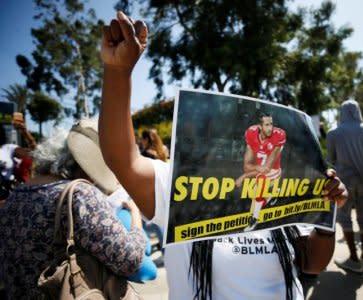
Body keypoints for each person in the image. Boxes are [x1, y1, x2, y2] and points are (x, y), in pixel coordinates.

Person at [99, 11, 348, 300]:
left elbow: (311, 264)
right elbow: (122, 158)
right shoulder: (177, 184)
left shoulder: (283, 189)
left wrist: (327, 219)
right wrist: (118, 72)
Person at [0, 124, 149, 299]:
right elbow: (130, 261)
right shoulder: (80, 195)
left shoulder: (14, 196)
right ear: (84, 165)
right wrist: (135, 218)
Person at [326, 99, 363, 273]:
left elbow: (331, 159)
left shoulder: (334, 133)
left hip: (345, 181)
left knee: (344, 218)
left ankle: (353, 258)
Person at [235, 111, 286, 231]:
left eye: (271, 124)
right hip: (260, 169)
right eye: (267, 125)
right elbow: (247, 165)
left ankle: (254, 219)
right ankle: (271, 195)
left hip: (273, 169)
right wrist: (253, 169)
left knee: (259, 186)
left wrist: (244, 176)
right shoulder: (251, 133)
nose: (270, 128)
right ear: (259, 126)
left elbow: (266, 168)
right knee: (255, 191)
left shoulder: (279, 134)